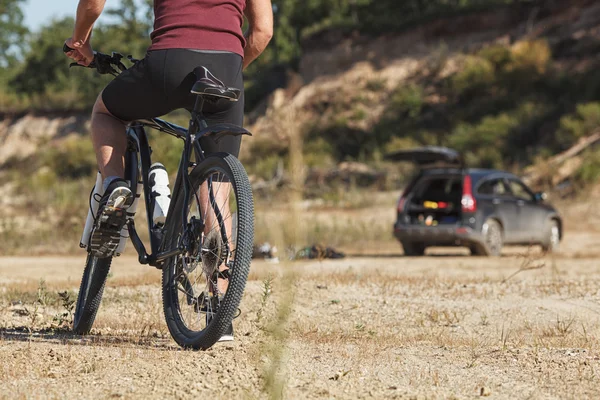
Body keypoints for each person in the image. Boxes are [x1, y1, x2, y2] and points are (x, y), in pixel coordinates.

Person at [64, 0, 273, 340]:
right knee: (216, 187)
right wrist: (231, 67)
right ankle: (219, 311)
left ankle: (116, 185)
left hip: (168, 62)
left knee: (106, 113)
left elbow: (94, 3)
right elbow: (263, 31)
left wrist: (81, 40)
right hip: (226, 66)